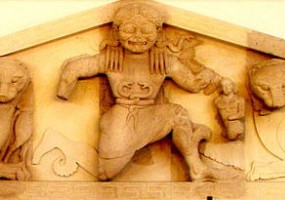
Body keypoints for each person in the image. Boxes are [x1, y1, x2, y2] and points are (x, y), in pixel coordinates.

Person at [57, 3, 225, 181]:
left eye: (146, 31)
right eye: (129, 30)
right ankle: (61, 143)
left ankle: (196, 169)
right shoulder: (110, 59)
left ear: (159, 33)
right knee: (105, 173)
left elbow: (192, 83)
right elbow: (76, 68)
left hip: (150, 115)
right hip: (122, 116)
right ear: (116, 32)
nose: (138, 36)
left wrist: (214, 76)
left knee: (178, 114)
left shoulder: (165, 61)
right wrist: (64, 87)